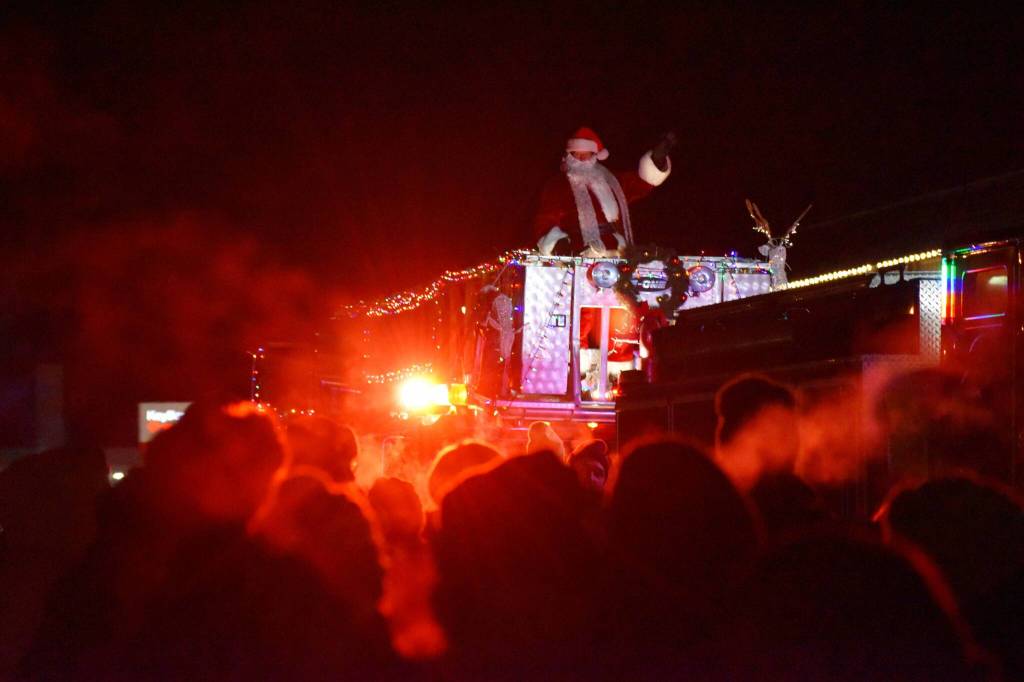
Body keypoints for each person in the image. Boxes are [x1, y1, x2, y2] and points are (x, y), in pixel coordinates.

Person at [534, 127, 675, 257]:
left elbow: (641, 183)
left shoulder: (611, 181)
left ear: (594, 155)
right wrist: (556, 243)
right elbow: (546, 219)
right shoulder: (558, 185)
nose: (582, 158)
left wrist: (657, 158)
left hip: (615, 251)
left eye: (586, 154)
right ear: (569, 155)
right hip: (576, 251)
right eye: (576, 154)